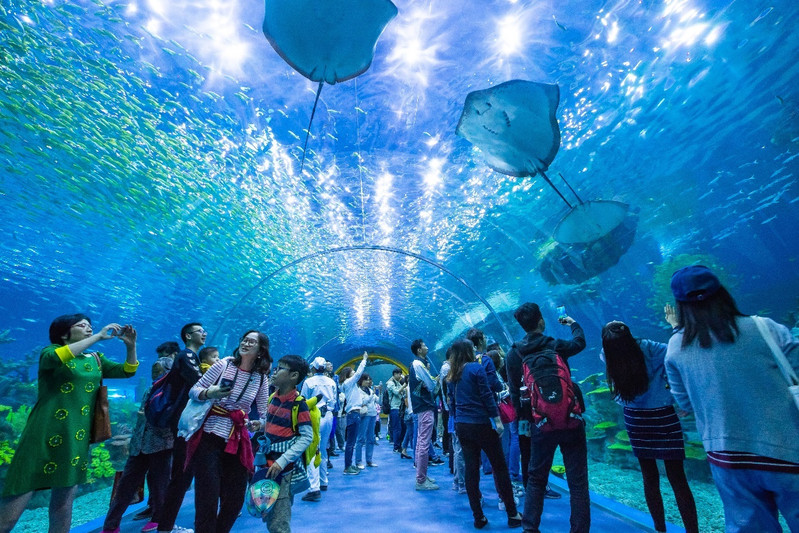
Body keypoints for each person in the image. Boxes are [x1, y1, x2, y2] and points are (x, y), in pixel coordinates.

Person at [665, 265, 799, 532]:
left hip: (727, 458)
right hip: (787, 449)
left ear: (680, 306)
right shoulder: (765, 328)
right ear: (722, 293)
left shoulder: (675, 348)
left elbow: (686, 404)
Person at [0, 314, 139, 533]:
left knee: (64, 503)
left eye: (90, 326)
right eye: (81, 325)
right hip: (43, 435)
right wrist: (98, 336)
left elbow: (128, 371)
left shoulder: (95, 359)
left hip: (76, 438)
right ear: (64, 332)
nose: (88, 329)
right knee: (17, 500)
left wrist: (131, 347)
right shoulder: (50, 353)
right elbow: (58, 358)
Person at [601, 320, 698, 533]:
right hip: (663, 415)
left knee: (649, 477)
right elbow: (674, 352)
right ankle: (693, 531)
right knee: (678, 478)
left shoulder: (607, 355)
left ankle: (660, 529)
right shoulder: (650, 347)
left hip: (636, 419)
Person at [506, 302, 589, 533]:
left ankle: (530, 528)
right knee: (578, 482)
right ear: (541, 321)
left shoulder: (514, 352)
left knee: (536, 479)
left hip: (540, 423)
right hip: (571, 419)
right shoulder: (555, 345)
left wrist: (526, 421)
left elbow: (515, 391)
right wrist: (573, 324)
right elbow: (580, 343)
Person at [186, 330, 271, 533]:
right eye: (244, 340)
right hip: (210, 435)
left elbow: (264, 412)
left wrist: (259, 423)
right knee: (207, 496)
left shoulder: (261, 378)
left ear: (260, 350)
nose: (246, 344)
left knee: (234, 498)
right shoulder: (223, 365)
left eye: (252, 342)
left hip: (238, 438)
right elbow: (194, 390)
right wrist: (209, 392)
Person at [447, 340, 522, 529]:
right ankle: (512, 514)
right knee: (500, 467)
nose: (475, 351)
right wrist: (497, 420)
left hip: (463, 426)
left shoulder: (452, 374)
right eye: (472, 349)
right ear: (467, 351)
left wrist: (456, 422)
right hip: (480, 424)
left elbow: (452, 404)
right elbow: (486, 395)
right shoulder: (475, 368)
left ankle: (478, 517)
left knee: (472, 471)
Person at [101, 361, 175, 533]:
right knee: (125, 484)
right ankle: (110, 525)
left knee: (160, 485)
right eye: (153, 369)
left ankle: (159, 518)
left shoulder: (173, 392)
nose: (155, 373)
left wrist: (151, 416)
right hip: (139, 445)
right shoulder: (150, 389)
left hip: (160, 445)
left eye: (159, 370)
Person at [153, 322, 208, 533]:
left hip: (187, 423)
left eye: (204, 331)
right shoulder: (186, 357)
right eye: (199, 331)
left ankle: (165, 526)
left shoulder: (190, 357)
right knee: (181, 475)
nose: (204, 334)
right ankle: (165, 527)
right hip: (185, 424)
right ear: (187, 335)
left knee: (183, 475)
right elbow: (199, 384)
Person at [260, 355, 313, 533]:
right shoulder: (273, 398)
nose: (274, 371)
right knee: (268, 510)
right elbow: (271, 422)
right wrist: (259, 425)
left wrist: (282, 460)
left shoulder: (299, 404)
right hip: (266, 463)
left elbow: (306, 437)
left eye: (280, 368)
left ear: (293, 376)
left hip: (283, 468)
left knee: (280, 516)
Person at [299, 356, 337, 501]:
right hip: (328, 416)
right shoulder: (331, 381)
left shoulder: (309, 382)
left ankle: (313, 488)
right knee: (323, 448)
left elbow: (304, 401)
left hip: (314, 417)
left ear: (313, 368)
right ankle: (323, 481)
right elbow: (333, 400)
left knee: (312, 451)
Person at [409, 338, 442, 490]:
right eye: (424, 345)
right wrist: (437, 380)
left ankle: (422, 475)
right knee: (423, 442)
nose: (427, 347)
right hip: (424, 406)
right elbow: (430, 384)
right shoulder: (418, 364)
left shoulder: (418, 364)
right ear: (418, 350)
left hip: (422, 406)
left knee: (421, 442)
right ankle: (421, 480)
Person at [340, 351, 368, 475]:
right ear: (348, 375)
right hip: (353, 415)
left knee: (352, 442)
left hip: (355, 414)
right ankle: (347, 467)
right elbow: (358, 374)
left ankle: (349, 465)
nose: (354, 373)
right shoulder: (348, 383)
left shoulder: (351, 386)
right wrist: (364, 360)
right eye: (352, 372)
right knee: (351, 443)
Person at [355, 373, 379, 469]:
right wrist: (371, 395)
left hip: (373, 415)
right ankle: (358, 461)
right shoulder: (358, 391)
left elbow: (378, 401)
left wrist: (378, 392)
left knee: (371, 438)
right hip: (365, 416)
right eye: (366, 380)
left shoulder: (369, 390)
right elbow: (362, 402)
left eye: (369, 379)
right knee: (361, 438)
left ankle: (369, 460)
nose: (368, 381)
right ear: (361, 381)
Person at [386, 368, 407, 453]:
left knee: (403, 427)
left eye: (400, 374)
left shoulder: (398, 383)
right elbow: (397, 392)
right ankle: (396, 446)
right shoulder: (391, 383)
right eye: (398, 374)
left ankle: (400, 445)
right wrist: (404, 385)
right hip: (394, 408)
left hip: (400, 408)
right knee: (396, 428)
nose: (400, 376)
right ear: (394, 374)